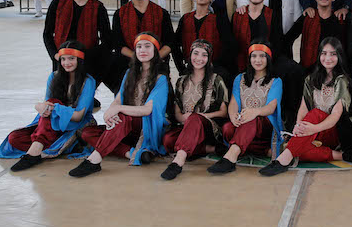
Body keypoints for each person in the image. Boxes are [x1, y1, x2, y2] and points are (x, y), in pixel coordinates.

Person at [70, 32, 170, 177]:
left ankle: (94, 161)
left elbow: (148, 110)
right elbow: (118, 99)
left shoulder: (161, 79)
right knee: (87, 133)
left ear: (155, 50)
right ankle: (132, 153)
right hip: (125, 128)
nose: (142, 50)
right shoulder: (130, 73)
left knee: (123, 117)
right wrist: (109, 112)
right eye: (139, 47)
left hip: (146, 128)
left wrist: (118, 109)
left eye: (147, 46)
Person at [259, 37, 352, 175]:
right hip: (313, 131)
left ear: (339, 56)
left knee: (315, 113)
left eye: (333, 54)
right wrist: (299, 126)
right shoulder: (311, 79)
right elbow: (303, 108)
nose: (328, 58)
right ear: (319, 55)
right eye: (324, 53)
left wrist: (313, 128)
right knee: (298, 149)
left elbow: (335, 116)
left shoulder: (341, 81)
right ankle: (339, 156)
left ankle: (283, 160)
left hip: (333, 131)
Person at [0, 40, 96, 170]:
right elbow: (46, 107)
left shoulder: (88, 81)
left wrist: (54, 108)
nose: (66, 63)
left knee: (54, 103)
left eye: (71, 58)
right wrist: (39, 106)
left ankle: (34, 152)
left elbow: (79, 116)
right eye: (63, 59)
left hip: (76, 125)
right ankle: (48, 146)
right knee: (14, 138)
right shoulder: (54, 76)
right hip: (51, 125)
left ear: (80, 59)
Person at [231, 0, 304, 126]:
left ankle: (289, 117)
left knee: (294, 70)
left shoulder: (272, 14)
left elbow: (277, 41)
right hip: (245, 60)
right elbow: (234, 43)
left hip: (268, 59)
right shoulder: (238, 14)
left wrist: (265, 62)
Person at [208, 41, 285, 174]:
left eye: (262, 56)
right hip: (243, 122)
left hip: (264, 125)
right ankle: (260, 150)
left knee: (252, 120)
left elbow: (271, 108)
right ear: (249, 58)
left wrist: (254, 112)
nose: (258, 60)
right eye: (254, 56)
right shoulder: (240, 78)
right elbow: (234, 102)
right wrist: (233, 115)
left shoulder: (276, 81)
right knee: (227, 129)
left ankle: (230, 158)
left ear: (268, 58)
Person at [159, 39, 230, 181]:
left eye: (204, 55)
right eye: (196, 53)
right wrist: (182, 118)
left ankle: (178, 161)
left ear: (209, 58)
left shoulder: (216, 80)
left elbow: (223, 112)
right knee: (167, 141)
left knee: (195, 119)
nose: (199, 58)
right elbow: (177, 111)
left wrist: (200, 116)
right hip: (186, 127)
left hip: (208, 127)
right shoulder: (181, 81)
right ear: (190, 55)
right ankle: (210, 149)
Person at [42, 0, 114, 90]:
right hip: (61, 61)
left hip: (86, 63)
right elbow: (47, 34)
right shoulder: (58, 3)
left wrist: (87, 56)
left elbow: (107, 41)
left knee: (82, 94)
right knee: (59, 95)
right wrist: (55, 55)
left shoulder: (98, 8)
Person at [111, 0, 175, 88]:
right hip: (128, 64)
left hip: (157, 64)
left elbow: (170, 42)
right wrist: (137, 58)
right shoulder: (120, 14)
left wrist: (153, 59)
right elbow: (117, 44)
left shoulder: (162, 13)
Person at [285, 0, 348, 73]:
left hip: (333, 70)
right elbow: (288, 39)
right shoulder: (308, 17)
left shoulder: (339, 19)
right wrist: (293, 65)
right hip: (309, 70)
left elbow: (345, 47)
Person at [173, 0, 230, 81]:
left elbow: (228, 45)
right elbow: (175, 45)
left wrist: (217, 66)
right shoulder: (186, 19)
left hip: (212, 70)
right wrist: (181, 68)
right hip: (190, 69)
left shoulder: (219, 19)